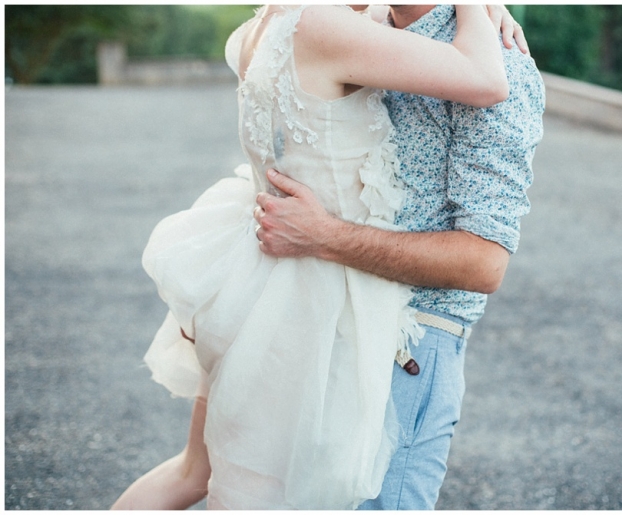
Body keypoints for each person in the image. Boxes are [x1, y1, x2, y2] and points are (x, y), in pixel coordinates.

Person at [111, 4, 524, 511]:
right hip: (335, 308)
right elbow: (485, 79)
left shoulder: (266, 25)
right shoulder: (330, 27)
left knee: (200, 476)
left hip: (255, 288)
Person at [253, 4, 545, 510]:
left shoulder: (501, 64)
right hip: (321, 324)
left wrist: (324, 236)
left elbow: (483, 262)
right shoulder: (362, 32)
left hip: (409, 343)